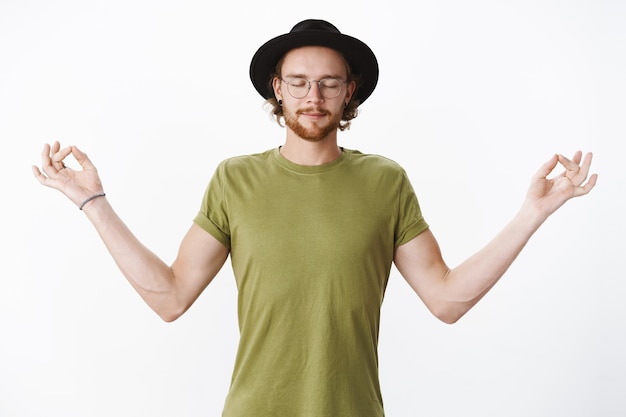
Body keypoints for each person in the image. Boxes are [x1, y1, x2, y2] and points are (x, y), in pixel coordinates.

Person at [32, 19, 597, 417]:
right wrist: (93, 203)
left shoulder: (385, 181)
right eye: (298, 82)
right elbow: (171, 297)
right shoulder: (235, 179)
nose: (313, 96)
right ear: (277, 90)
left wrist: (533, 213)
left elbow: (446, 300)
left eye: (329, 83)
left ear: (350, 92)